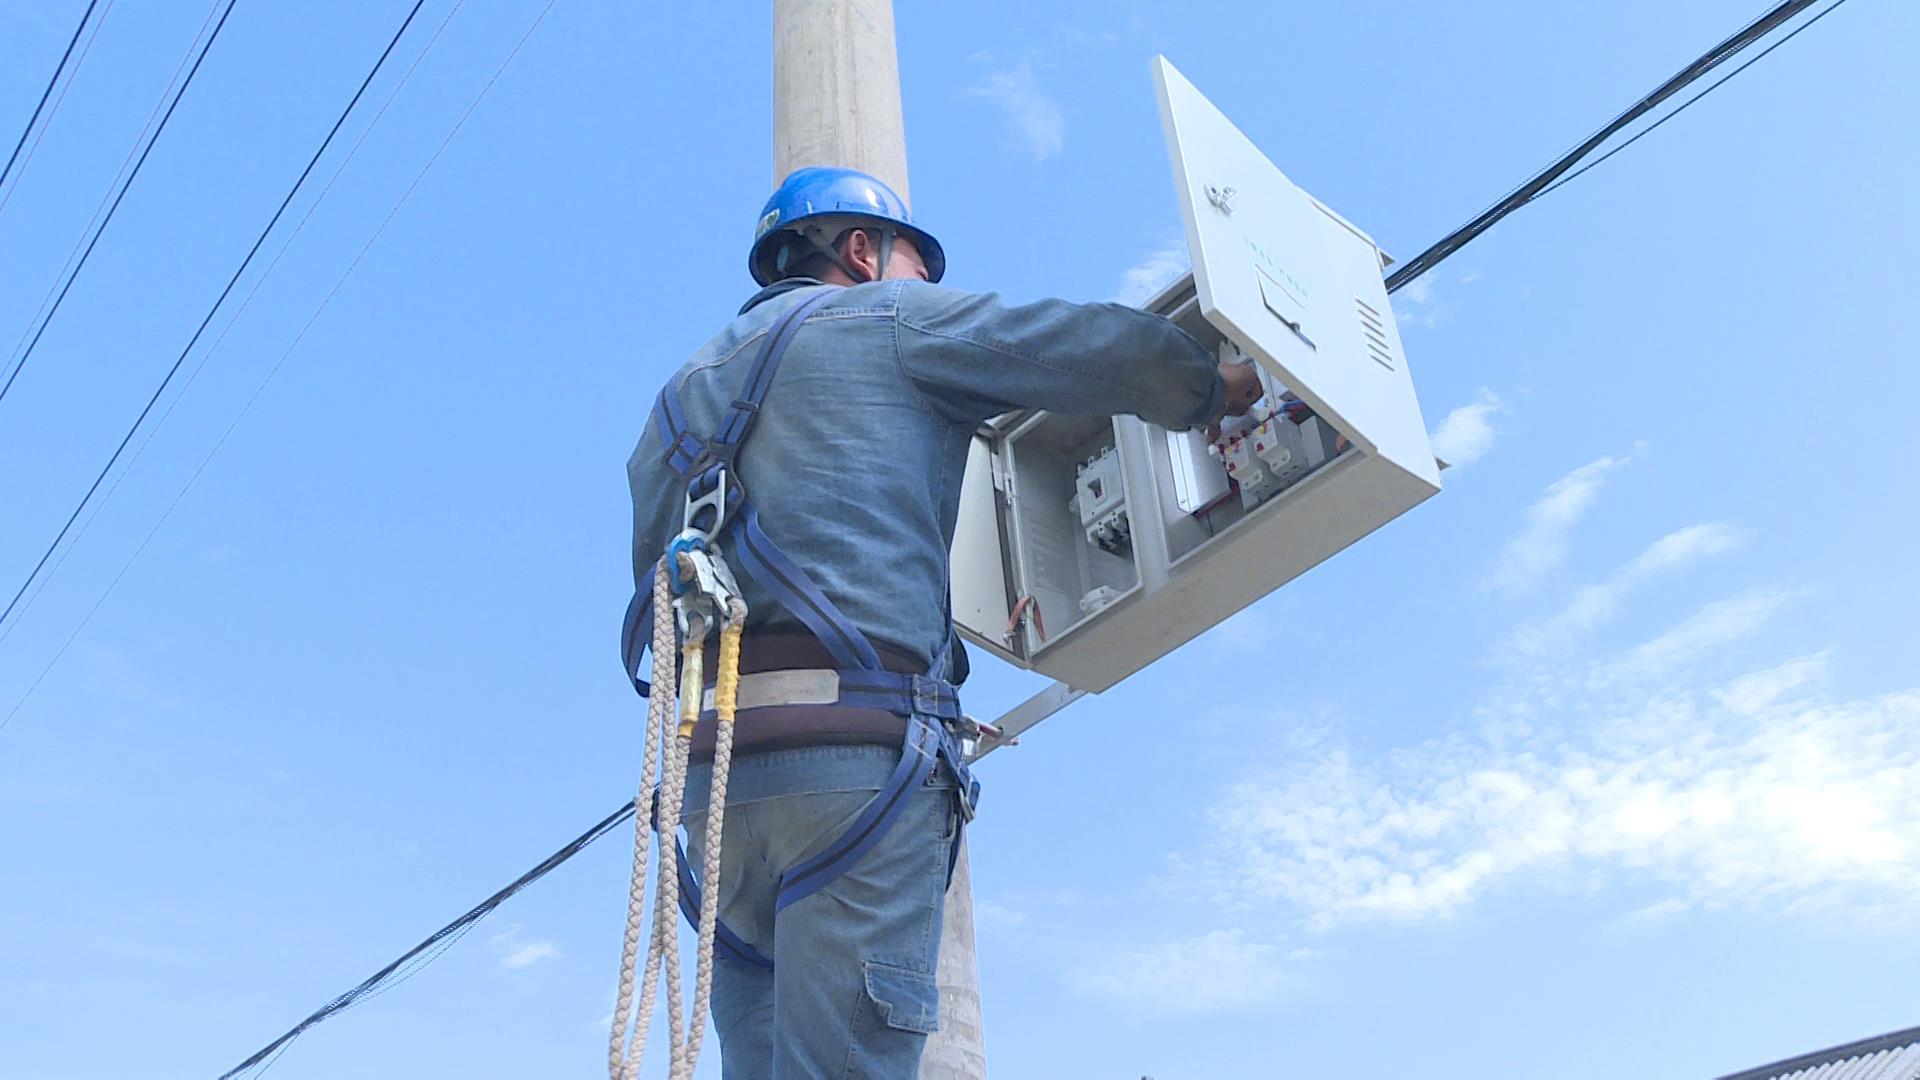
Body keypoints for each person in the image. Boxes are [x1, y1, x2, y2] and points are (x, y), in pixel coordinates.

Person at [625, 166, 1259, 1078]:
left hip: (715, 793)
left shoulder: (674, 402)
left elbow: (660, 597)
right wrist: (1210, 387)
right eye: (918, 265)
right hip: (854, 768)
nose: (924, 285)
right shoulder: (886, 320)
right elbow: (1078, 347)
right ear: (860, 251)